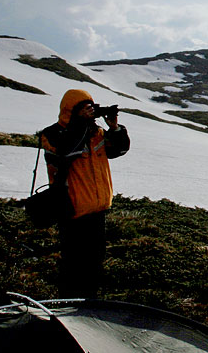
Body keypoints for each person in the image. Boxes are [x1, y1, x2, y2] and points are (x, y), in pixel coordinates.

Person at [37, 89, 129, 298]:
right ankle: (67, 306)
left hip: (97, 208)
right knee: (74, 265)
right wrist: (79, 124)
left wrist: (114, 128)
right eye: (85, 108)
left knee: (94, 262)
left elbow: (119, 150)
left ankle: (89, 305)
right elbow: (66, 152)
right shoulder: (53, 134)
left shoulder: (95, 133)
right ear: (72, 110)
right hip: (72, 209)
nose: (91, 112)